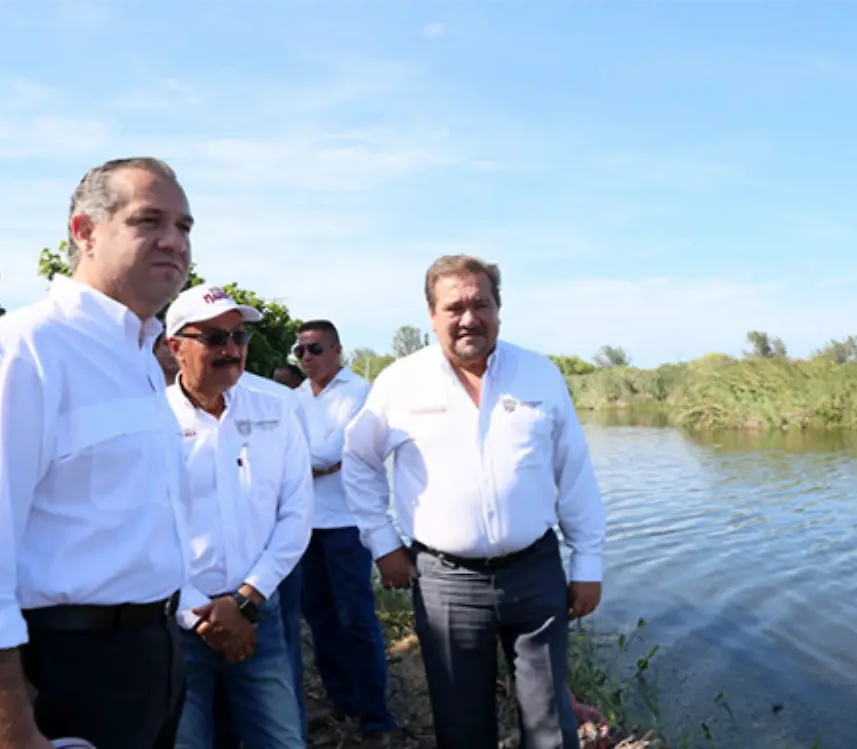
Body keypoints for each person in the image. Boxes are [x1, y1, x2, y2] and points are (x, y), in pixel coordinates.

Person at [0, 156, 194, 749]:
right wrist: (9, 735)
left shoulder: (140, 360)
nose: (173, 241)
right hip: (49, 677)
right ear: (84, 231)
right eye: (148, 220)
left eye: (184, 227)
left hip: (147, 664)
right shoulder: (14, 356)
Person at [342, 254, 607, 749]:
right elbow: (359, 462)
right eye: (454, 307)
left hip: (536, 572)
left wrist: (588, 561)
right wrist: (383, 544)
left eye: (480, 303)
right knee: (463, 726)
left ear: (498, 308)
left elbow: (573, 471)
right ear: (432, 315)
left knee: (552, 726)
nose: (468, 318)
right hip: (446, 581)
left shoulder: (539, 374)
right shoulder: (400, 381)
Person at [163, 284, 313, 748]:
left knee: (283, 740)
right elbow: (143, 527)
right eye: (214, 339)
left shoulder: (276, 409)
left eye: (238, 337)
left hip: (257, 613)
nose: (231, 350)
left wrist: (245, 601)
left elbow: (296, 513)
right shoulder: (151, 418)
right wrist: (200, 614)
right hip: (177, 621)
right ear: (176, 348)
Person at [293, 320, 395, 744]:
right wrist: (305, 461)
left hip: (347, 523)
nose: (306, 358)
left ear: (337, 351)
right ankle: (342, 699)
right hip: (303, 524)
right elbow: (296, 456)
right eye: (299, 351)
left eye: (314, 349)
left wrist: (300, 461)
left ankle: (377, 717)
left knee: (356, 620)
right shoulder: (294, 398)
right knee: (318, 618)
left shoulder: (360, 394)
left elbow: (333, 454)